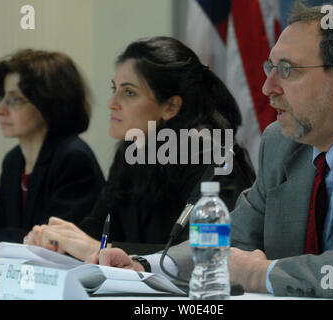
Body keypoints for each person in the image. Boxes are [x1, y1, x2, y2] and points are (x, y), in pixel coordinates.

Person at [92, 3, 333, 299]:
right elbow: (232, 236)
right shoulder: (282, 143)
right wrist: (148, 265)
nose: (268, 88)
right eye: (270, 68)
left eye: (287, 70)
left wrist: (259, 273)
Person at [24, 37, 255, 260]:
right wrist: (58, 241)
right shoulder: (132, 151)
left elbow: (204, 252)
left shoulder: (211, 156)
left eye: (129, 92)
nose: (111, 103)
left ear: (171, 106)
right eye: (114, 89)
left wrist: (104, 249)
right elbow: (96, 231)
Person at [0, 49, 105, 256]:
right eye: (1, 98)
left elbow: (46, 245)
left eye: (13, 100)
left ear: (48, 102)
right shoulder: (14, 161)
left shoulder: (73, 158)